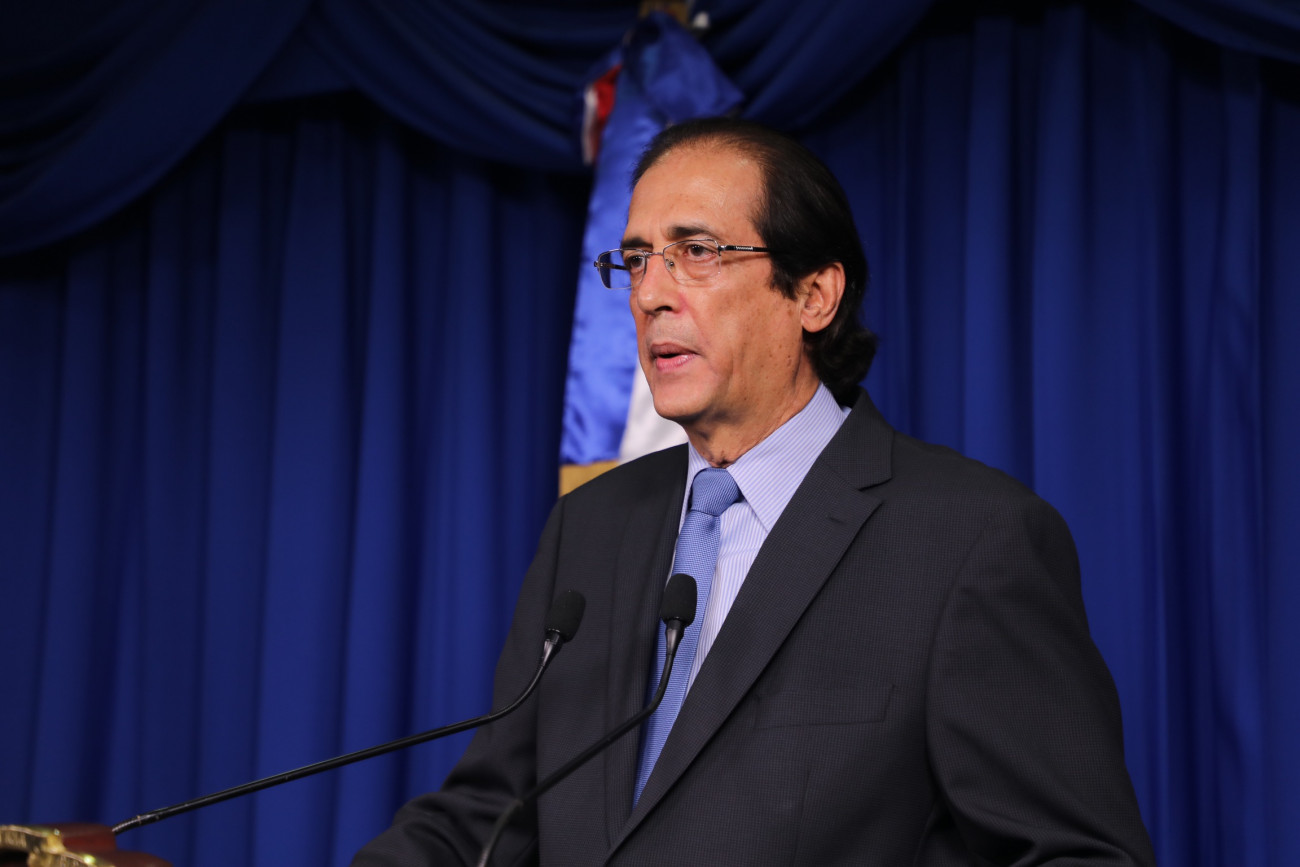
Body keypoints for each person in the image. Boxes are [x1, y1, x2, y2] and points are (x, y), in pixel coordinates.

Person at [353, 118, 1156, 866]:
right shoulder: (590, 527)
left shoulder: (968, 540)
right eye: (637, 259)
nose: (649, 293)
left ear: (814, 294)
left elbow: (1079, 854)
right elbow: (491, 814)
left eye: (696, 251)